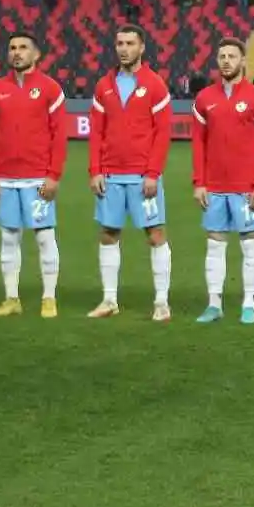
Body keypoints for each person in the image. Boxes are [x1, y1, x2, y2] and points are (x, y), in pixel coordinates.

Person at [88, 24, 173, 321]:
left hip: (142, 176)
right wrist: (95, 170)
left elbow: (162, 134)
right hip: (110, 176)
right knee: (108, 234)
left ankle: (162, 302)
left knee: (155, 234)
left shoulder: (155, 84)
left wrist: (153, 173)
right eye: (120, 43)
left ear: (142, 48)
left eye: (130, 43)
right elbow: (96, 132)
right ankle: (109, 300)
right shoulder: (104, 85)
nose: (124, 48)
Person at [0, 32, 68, 318]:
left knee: (44, 237)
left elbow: (59, 135)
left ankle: (48, 298)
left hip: (37, 178)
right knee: (9, 238)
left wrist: (54, 175)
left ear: (36, 55)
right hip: (6, 178)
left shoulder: (50, 88)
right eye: (12, 48)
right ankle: (11, 299)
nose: (17, 52)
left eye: (23, 48)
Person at [191, 37, 254, 324]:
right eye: (222, 56)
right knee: (215, 244)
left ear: (243, 62)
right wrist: (199, 182)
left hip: (246, 187)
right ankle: (214, 303)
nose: (226, 61)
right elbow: (198, 144)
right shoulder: (204, 99)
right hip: (214, 186)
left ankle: (249, 302)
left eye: (232, 56)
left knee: (250, 244)